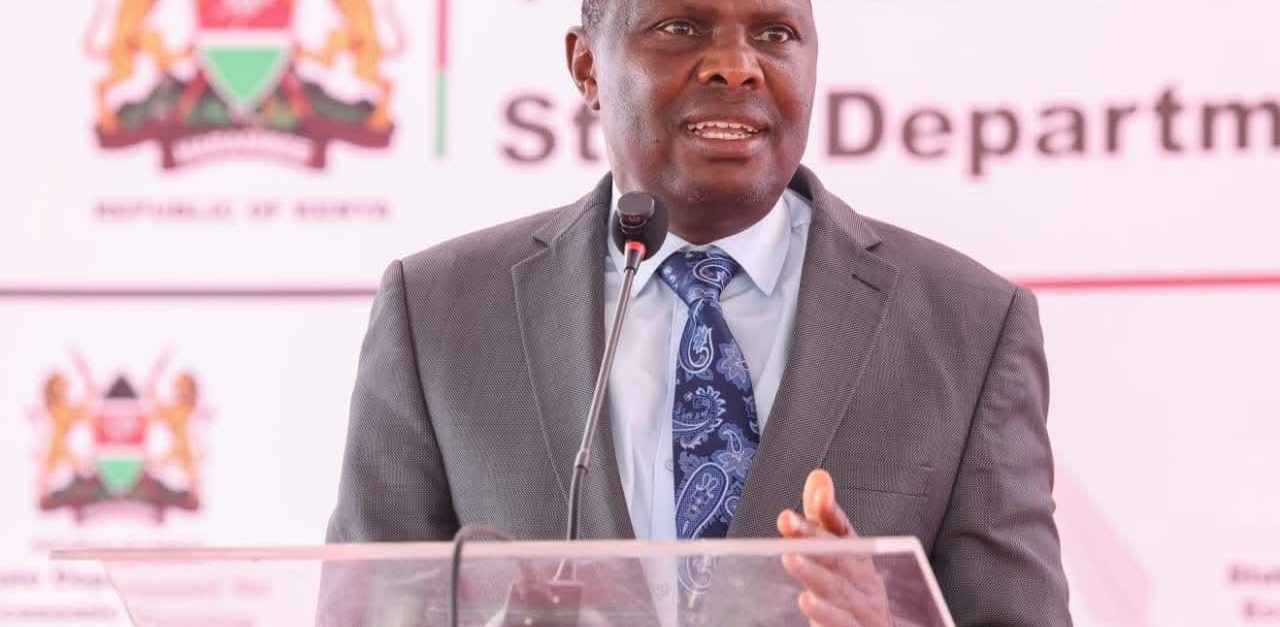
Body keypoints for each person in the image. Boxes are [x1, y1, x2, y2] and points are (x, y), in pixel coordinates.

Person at [327, 0, 1071, 625]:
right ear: (587, 67)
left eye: (774, 33)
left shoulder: (968, 326)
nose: (736, 66)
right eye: (681, 27)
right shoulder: (438, 313)